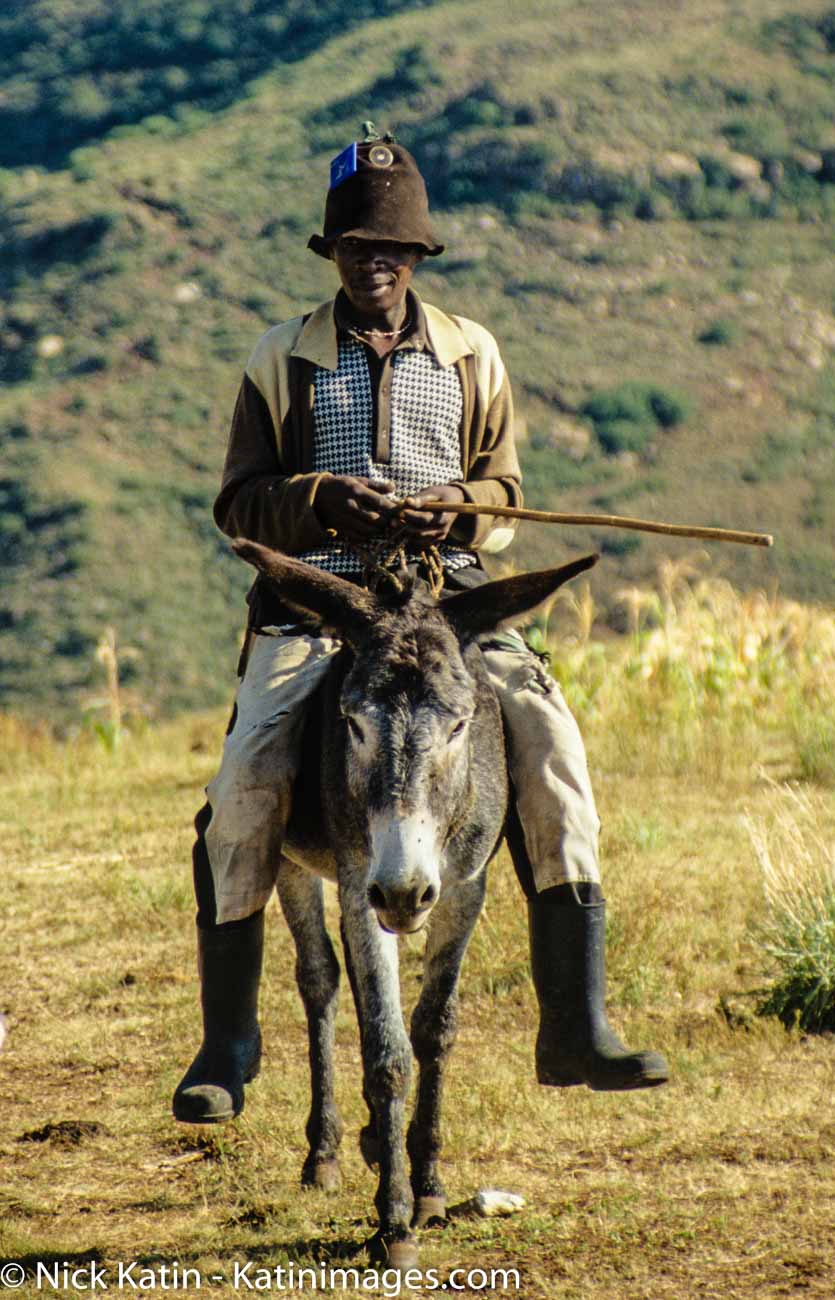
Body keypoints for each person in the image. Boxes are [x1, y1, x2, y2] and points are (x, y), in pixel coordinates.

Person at [173, 132, 668, 1124]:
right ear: (333, 252)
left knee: (554, 752)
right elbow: (239, 504)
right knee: (245, 780)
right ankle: (228, 1040)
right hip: (322, 607)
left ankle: (574, 1020)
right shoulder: (282, 357)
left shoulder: (473, 351)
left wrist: (461, 506)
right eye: (358, 245)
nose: (376, 262)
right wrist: (318, 499)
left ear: (419, 257)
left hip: (451, 602)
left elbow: (507, 490)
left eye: (393, 247)